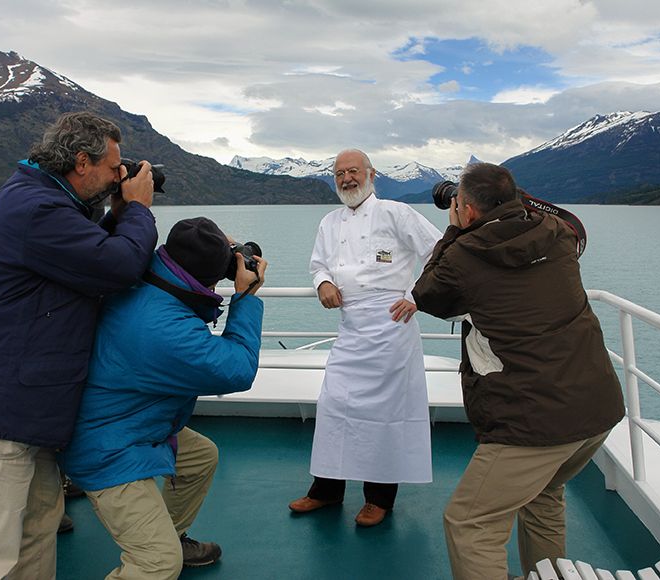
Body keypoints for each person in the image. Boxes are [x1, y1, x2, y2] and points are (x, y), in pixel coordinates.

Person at [0, 111, 159, 579]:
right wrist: (136, 210)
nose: (121, 176)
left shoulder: (50, 204)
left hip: (29, 412)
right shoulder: (36, 209)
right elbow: (116, 267)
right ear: (81, 161)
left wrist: (116, 212)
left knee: (34, 542)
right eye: (115, 167)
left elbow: (93, 257)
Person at [412, 162, 625, 579]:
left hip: (533, 420)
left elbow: (429, 295)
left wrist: (454, 231)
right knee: (543, 496)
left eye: (456, 203)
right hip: (596, 408)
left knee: (470, 523)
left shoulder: (464, 255)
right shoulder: (558, 234)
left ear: (467, 210)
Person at [60, 217, 267, 580]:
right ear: (207, 278)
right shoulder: (165, 329)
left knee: (200, 458)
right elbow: (238, 369)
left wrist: (218, 248)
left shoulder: (148, 276)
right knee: (157, 564)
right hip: (107, 446)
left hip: (126, 418)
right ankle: (161, 549)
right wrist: (245, 297)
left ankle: (170, 535)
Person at [289, 149, 442, 527]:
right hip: (351, 325)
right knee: (334, 405)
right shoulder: (329, 222)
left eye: (353, 171)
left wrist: (416, 296)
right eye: (339, 173)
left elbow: (440, 252)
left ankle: (379, 499)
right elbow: (319, 264)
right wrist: (323, 282)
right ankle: (326, 490)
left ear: (372, 174)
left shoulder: (396, 213)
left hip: (392, 326)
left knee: (384, 416)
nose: (346, 179)